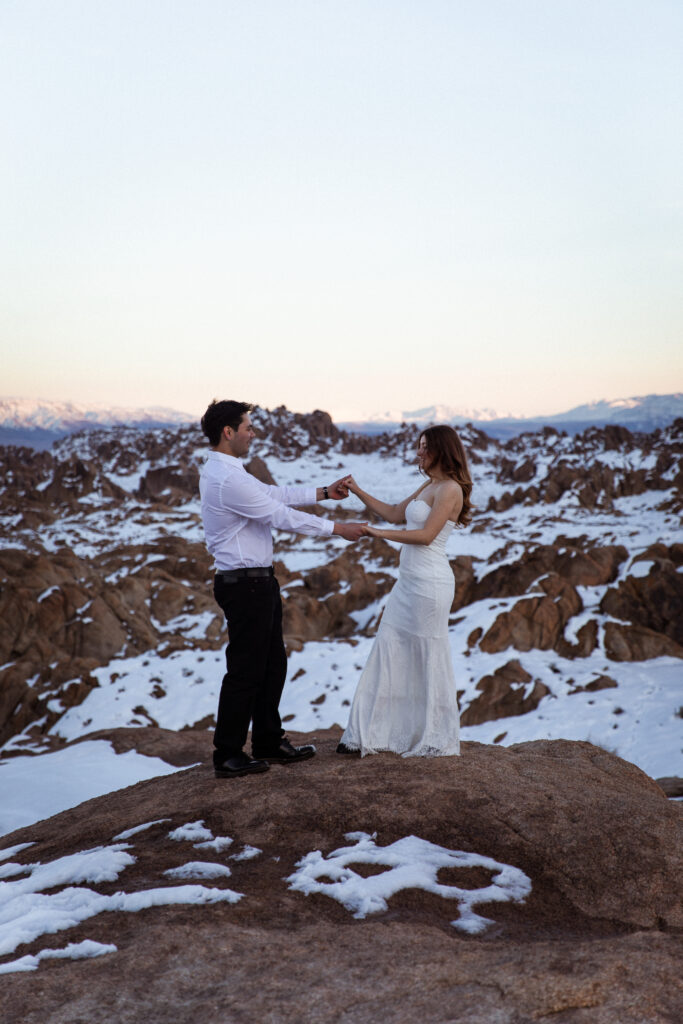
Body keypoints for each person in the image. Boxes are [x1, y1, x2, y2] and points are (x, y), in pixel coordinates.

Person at [199, 400, 365, 779]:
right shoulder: (227, 477)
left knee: (272, 664)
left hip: (258, 583)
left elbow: (276, 495)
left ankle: (268, 741)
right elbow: (279, 516)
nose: (252, 433)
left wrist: (325, 492)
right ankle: (227, 753)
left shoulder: (231, 472)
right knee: (246, 669)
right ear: (228, 432)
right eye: (247, 427)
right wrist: (338, 530)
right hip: (245, 586)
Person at [338, 424, 473, 757]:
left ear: (442, 449)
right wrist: (358, 491)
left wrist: (376, 533)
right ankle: (371, 734)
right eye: (419, 446)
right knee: (389, 646)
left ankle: (433, 739)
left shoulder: (450, 490)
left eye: (425, 447)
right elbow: (397, 513)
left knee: (427, 656)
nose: (419, 452)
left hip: (430, 585)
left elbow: (426, 536)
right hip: (409, 583)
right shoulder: (431, 484)